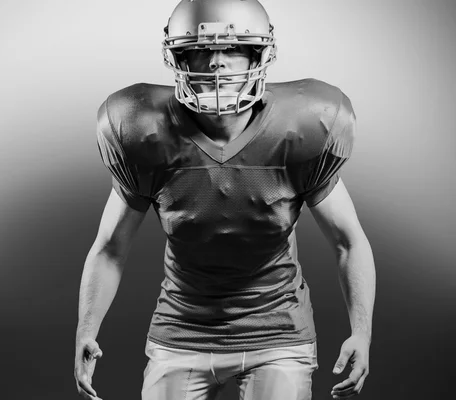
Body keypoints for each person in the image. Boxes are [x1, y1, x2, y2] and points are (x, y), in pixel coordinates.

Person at [74, 0, 376, 399]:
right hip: (181, 329)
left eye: (233, 48)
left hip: (277, 329)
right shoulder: (142, 132)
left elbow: (348, 241)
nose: (216, 63)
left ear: (259, 53)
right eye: (200, 49)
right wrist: (86, 328)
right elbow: (111, 247)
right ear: (178, 58)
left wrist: (362, 333)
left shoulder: (302, 129)